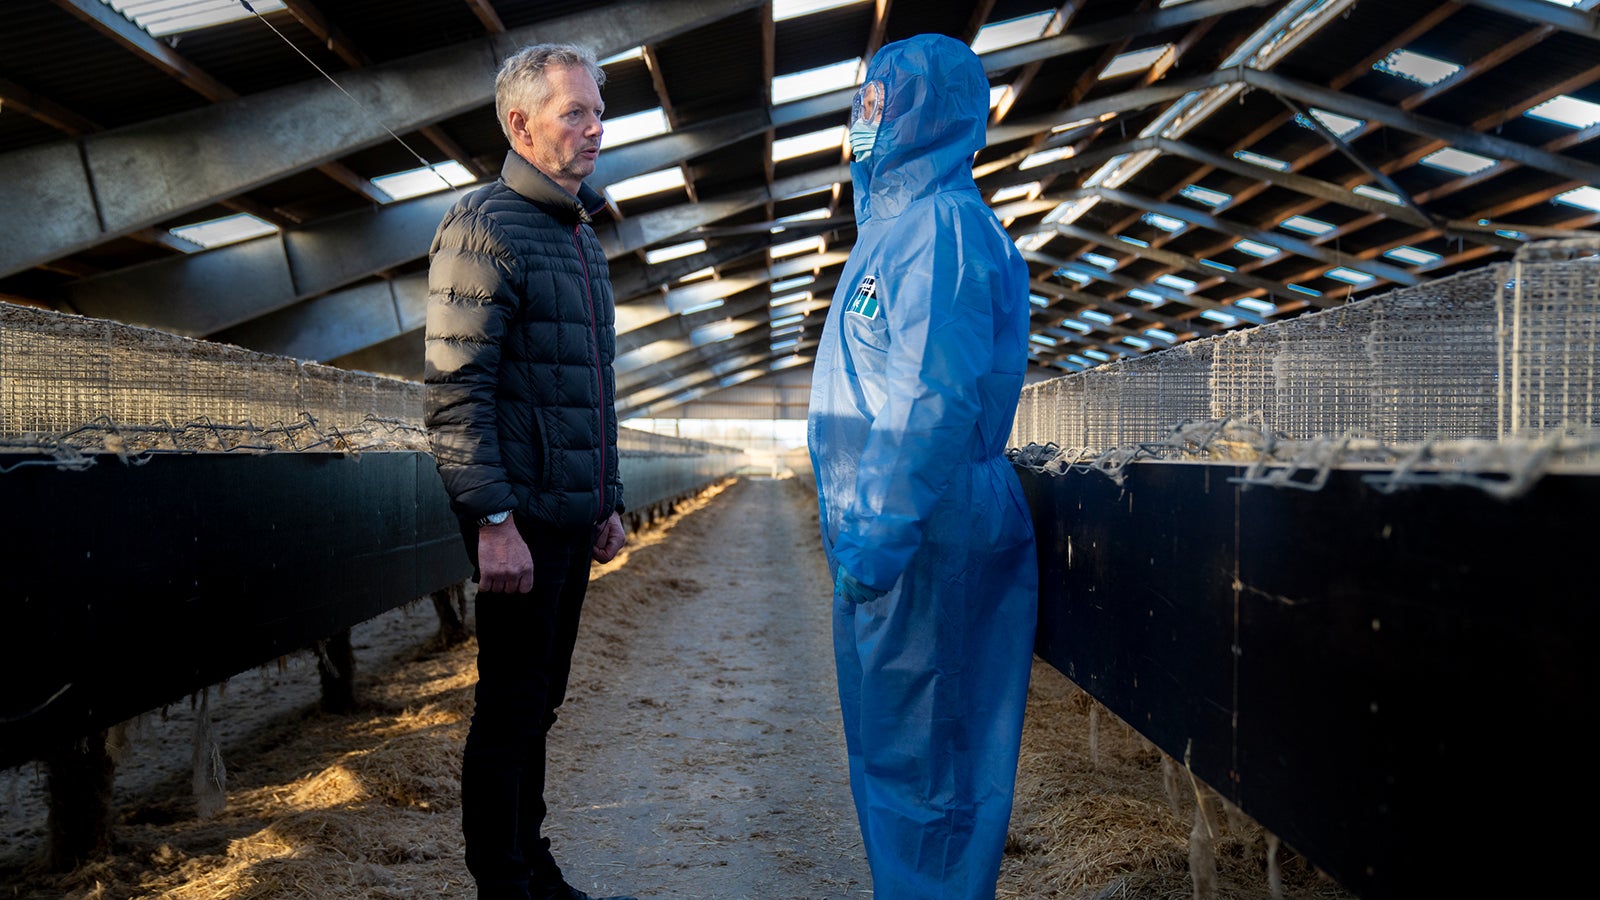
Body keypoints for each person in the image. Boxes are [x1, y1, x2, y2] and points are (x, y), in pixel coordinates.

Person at [805, 33, 1039, 899]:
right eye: (863, 103)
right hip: (896, 528)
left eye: (880, 103)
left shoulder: (939, 231)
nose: (863, 120)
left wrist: (875, 535)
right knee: (896, 752)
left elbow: (927, 401)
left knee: (929, 756)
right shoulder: (893, 233)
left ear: (926, 113)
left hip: (923, 525)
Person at [423, 42, 632, 900]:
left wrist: (608, 498)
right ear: (521, 123)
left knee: (538, 701)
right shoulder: (485, 225)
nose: (596, 128)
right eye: (574, 112)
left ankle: (532, 865)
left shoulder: (577, 236)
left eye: (597, 110)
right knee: (511, 706)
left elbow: (593, 385)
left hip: (567, 513)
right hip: (521, 516)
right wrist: (492, 522)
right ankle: (503, 882)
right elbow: (454, 389)